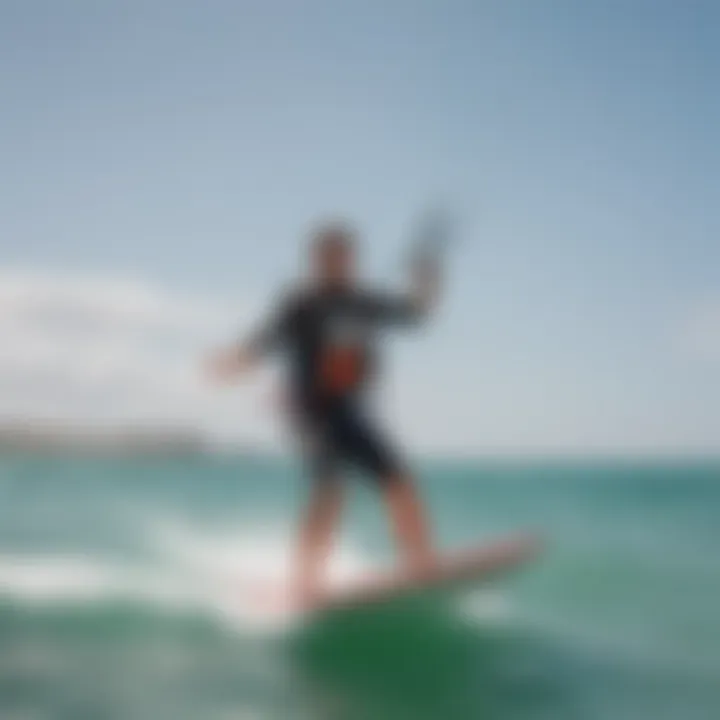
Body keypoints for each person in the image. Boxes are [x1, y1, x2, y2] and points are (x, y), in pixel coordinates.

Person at [206, 220, 442, 606]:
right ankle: (304, 581)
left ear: (352, 259)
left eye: (340, 255)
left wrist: (427, 276)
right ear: (314, 260)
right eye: (324, 257)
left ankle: (422, 563)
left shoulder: (366, 302)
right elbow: (262, 343)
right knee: (330, 491)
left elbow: (418, 313)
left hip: (350, 412)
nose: (332, 263)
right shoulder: (302, 305)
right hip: (311, 414)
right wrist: (230, 363)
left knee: (400, 481)